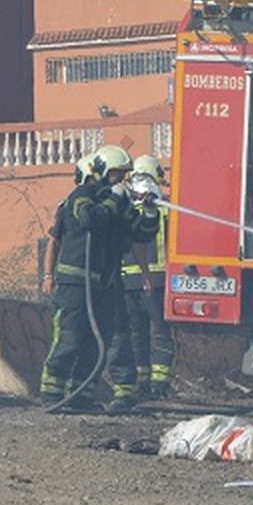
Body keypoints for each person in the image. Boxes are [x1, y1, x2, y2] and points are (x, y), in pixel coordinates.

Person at [38, 145, 158, 409]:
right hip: (76, 284)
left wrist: (149, 212)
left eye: (124, 175)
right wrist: (115, 198)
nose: (122, 180)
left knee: (99, 342)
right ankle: (51, 394)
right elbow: (89, 219)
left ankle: (82, 396)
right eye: (117, 174)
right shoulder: (82, 195)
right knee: (70, 339)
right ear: (102, 171)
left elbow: (141, 234)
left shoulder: (117, 203)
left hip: (105, 285)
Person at [107, 154, 176, 409]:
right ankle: (158, 384)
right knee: (160, 333)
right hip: (155, 281)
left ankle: (141, 383)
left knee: (135, 334)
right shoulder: (162, 208)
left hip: (127, 281)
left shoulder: (124, 208)